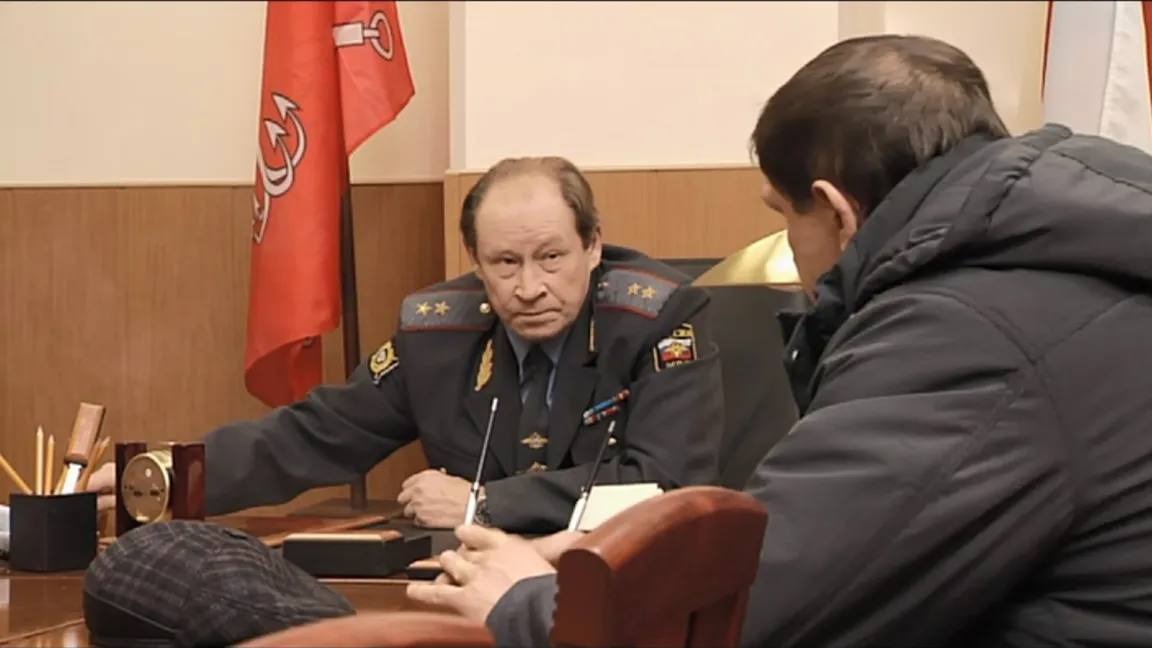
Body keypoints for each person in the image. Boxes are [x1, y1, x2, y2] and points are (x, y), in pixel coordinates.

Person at [406, 34, 1152, 646]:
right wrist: (617, 556)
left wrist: (532, 604)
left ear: (836, 211)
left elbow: (765, 611)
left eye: (784, 216)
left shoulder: (963, 334)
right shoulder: (1061, 260)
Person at [86, 156, 724, 535]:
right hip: (468, 594)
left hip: (615, 585)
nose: (529, 287)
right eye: (505, 262)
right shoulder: (438, 336)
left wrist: (482, 504)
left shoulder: (658, 320)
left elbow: (663, 486)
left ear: (593, 245)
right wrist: (171, 477)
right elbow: (315, 435)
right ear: (474, 259)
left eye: (551, 257)